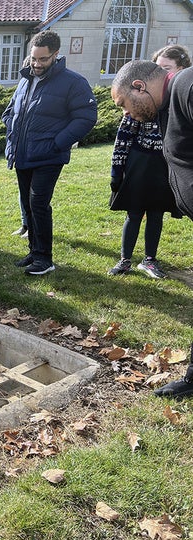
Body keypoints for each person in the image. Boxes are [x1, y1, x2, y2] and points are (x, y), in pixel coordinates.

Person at [111, 60, 193, 398]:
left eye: (124, 103)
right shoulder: (167, 104)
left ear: (139, 87)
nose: (127, 113)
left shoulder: (187, 86)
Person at [2, 30, 97, 275]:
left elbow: (86, 118)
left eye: (42, 59)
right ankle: (34, 251)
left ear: (56, 55)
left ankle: (45, 259)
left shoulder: (73, 82)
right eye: (33, 58)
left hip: (49, 156)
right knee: (28, 203)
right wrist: (9, 127)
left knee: (39, 203)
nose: (36, 64)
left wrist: (58, 143)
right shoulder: (26, 78)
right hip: (22, 154)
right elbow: (13, 108)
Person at [107, 46, 190, 278]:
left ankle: (149, 259)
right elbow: (123, 139)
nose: (125, 112)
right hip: (140, 164)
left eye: (167, 69)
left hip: (162, 167)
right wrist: (117, 170)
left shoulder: (181, 97)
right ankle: (125, 259)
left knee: (156, 213)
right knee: (134, 213)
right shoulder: (144, 108)